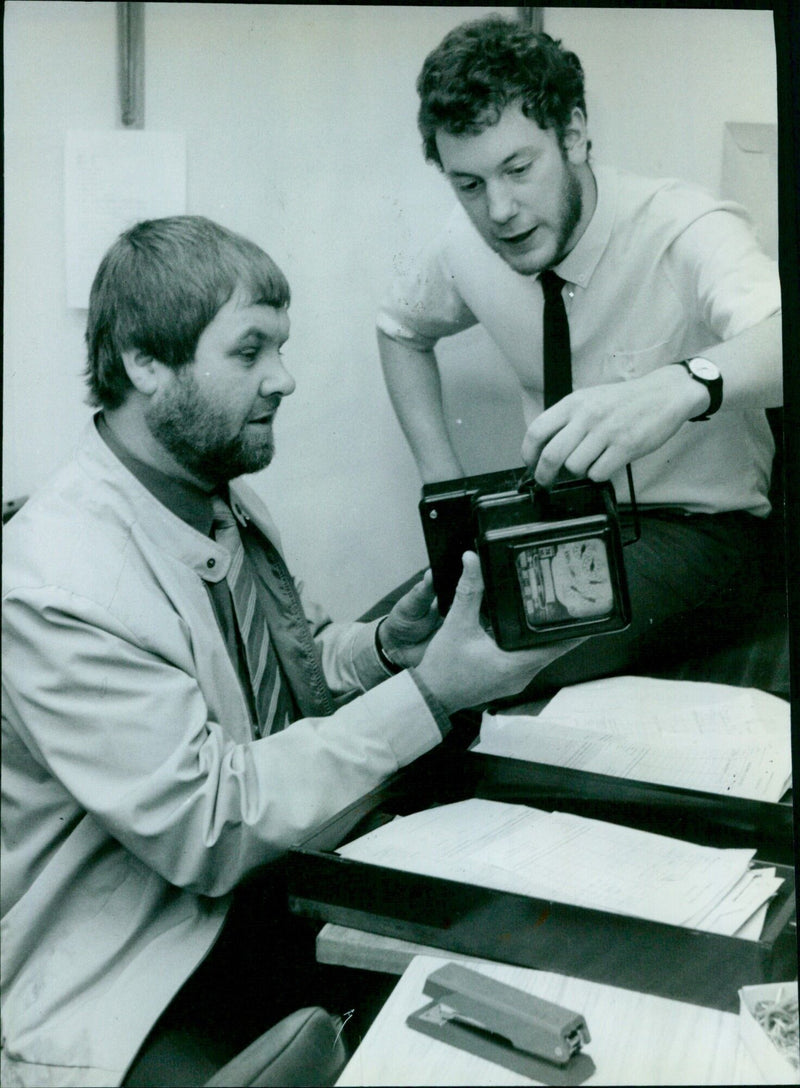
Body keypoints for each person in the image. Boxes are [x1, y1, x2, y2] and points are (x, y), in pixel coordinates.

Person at [0, 216, 568, 1088]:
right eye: (250, 351)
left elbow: (291, 676)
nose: (284, 378)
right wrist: (430, 694)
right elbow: (211, 826)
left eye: (282, 347)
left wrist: (383, 647)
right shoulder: (59, 580)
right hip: (133, 965)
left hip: (267, 893)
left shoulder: (220, 500)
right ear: (146, 363)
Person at [377, 14, 783, 689]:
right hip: (556, 521)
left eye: (518, 168)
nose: (499, 211)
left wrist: (676, 388)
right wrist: (442, 484)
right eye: (469, 184)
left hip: (700, 532)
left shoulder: (683, 227)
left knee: (477, 667)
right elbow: (399, 331)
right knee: (399, 642)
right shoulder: (464, 244)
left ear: (573, 133)